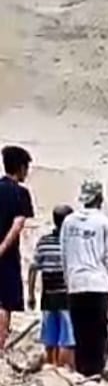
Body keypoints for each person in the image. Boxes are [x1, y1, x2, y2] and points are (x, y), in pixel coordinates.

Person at [61, 180, 108, 376]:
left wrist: (69, 283)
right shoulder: (106, 224)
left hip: (76, 285)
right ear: (100, 199)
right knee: (98, 336)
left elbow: (64, 256)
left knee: (80, 335)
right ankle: (94, 376)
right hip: (98, 285)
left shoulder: (68, 222)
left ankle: (81, 375)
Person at [28, 205, 74, 367]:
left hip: (48, 294)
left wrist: (31, 294)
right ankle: (62, 370)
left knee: (50, 337)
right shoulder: (71, 244)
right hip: (66, 295)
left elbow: (33, 268)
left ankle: (50, 367)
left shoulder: (44, 242)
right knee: (67, 338)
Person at [0, 146, 34, 352]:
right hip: (7, 257)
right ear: (21, 168)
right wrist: (2, 248)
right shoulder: (21, 193)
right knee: (3, 303)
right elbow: (18, 224)